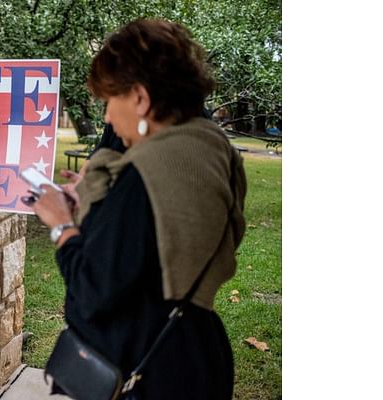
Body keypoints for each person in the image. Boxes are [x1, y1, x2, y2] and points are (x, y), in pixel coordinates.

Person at [28, 19, 246, 399]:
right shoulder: (214, 149)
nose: (109, 117)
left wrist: (61, 224)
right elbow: (167, 238)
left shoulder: (147, 173)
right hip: (199, 351)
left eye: (111, 101)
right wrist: (104, 210)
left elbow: (93, 291)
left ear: (140, 98)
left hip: (150, 369)